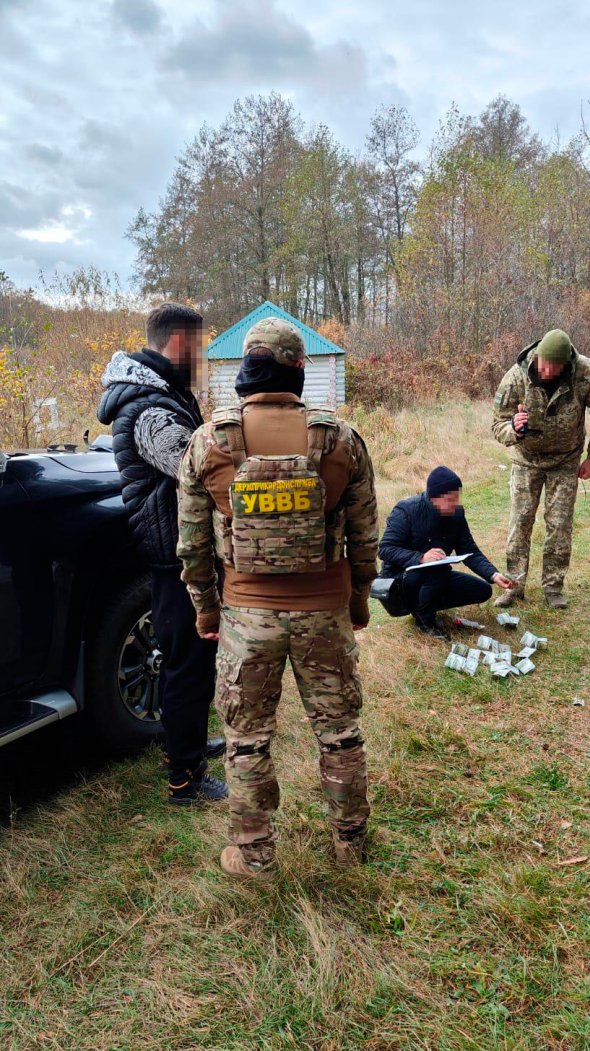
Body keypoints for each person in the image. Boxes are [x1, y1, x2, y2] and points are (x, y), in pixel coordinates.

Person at [177, 316, 378, 879]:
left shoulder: (209, 442)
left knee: (246, 739)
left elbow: (191, 545)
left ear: (246, 367)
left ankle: (255, 855)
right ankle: (350, 843)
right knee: (339, 731)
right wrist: (358, 601)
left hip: (246, 617)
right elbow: (365, 537)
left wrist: (206, 611)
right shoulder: (341, 440)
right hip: (324, 612)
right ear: (299, 370)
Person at [97, 303, 228, 804]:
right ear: (178, 342)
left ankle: (187, 746)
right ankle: (185, 780)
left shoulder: (164, 394)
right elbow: (197, 466)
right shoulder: (150, 410)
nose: (203, 358)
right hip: (175, 556)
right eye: (199, 347)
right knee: (185, 663)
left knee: (195, 657)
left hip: (180, 550)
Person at [492, 328, 590, 609]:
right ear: (537, 357)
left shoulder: (586, 373)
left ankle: (553, 587)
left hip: (565, 460)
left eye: (555, 366)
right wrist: (513, 428)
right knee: (520, 524)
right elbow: (497, 423)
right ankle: (514, 585)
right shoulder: (517, 376)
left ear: (566, 364)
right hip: (526, 460)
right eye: (544, 364)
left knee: (559, 525)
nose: (547, 371)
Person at [379, 466, 513, 639]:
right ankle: (425, 620)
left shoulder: (456, 514)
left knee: (482, 590)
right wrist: (421, 558)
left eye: (457, 498)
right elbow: (385, 550)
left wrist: (493, 574)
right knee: (435, 572)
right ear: (433, 498)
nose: (455, 504)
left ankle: (425, 604)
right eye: (450, 500)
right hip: (401, 579)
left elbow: (470, 550)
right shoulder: (407, 510)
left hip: (437, 575)